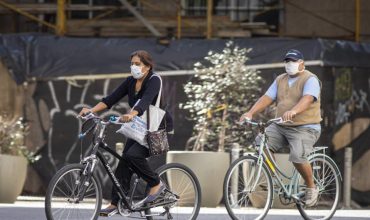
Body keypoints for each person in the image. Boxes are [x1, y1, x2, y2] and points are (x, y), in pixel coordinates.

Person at [79, 50, 173, 216]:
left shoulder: (154, 80)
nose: (134, 67)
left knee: (133, 156)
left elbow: (145, 101)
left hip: (155, 128)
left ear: (147, 66)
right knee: (124, 162)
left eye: (138, 64)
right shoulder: (130, 81)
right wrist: (91, 110)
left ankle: (156, 184)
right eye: (132, 64)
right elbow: (110, 99)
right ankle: (116, 203)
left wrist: (131, 113)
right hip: (139, 127)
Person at [240, 49, 321, 207]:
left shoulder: (310, 79)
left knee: (298, 156)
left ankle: (311, 187)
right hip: (281, 125)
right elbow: (266, 98)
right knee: (261, 142)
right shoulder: (280, 79)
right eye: (287, 61)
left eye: (293, 61)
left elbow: (308, 98)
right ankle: (273, 179)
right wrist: (250, 113)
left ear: (301, 63)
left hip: (305, 127)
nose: (289, 64)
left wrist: (294, 111)